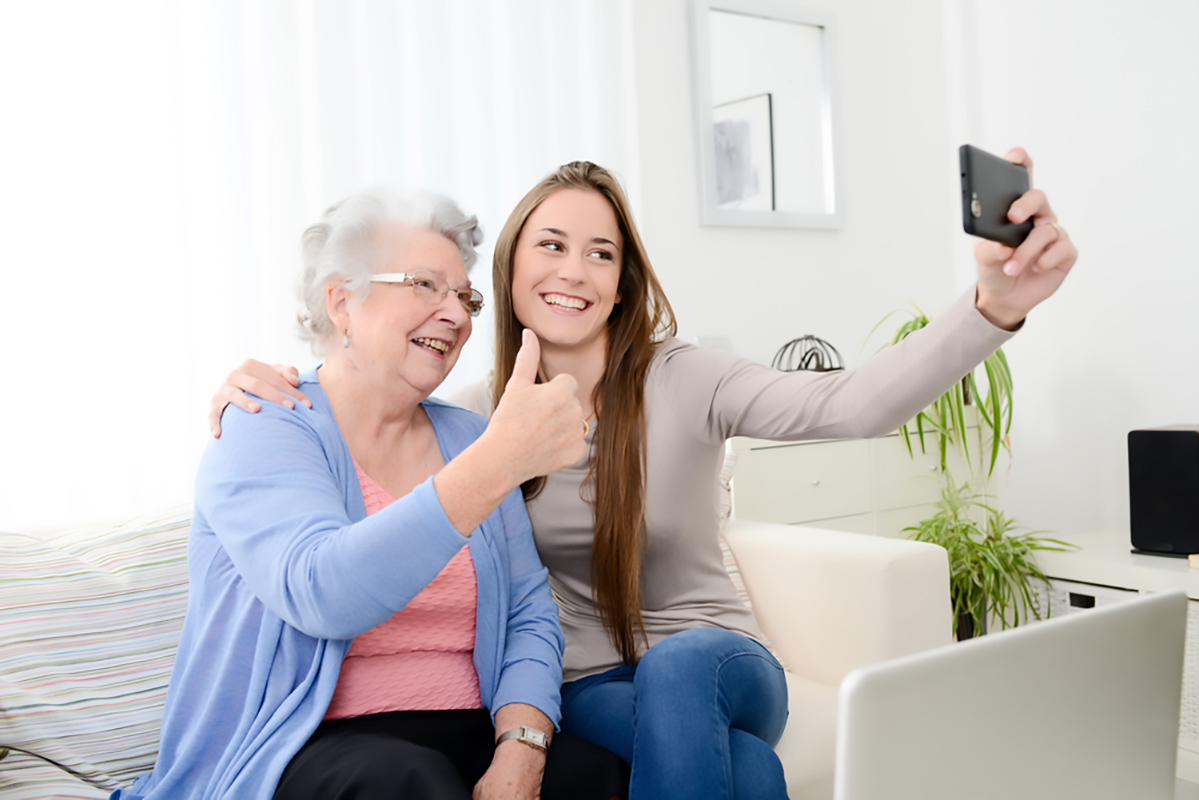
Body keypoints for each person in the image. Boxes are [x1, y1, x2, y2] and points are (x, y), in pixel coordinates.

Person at [212, 152, 1077, 799]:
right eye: (551, 245)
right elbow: (354, 404)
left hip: (720, 661)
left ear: (623, 282)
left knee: (679, 671)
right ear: (509, 270)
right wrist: (263, 382)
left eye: (601, 254)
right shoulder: (476, 418)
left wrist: (992, 308)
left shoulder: (687, 377)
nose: (574, 271)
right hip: (586, 686)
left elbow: (848, 405)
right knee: (741, 770)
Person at [120, 189, 629, 800]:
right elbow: (321, 591)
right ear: (341, 302)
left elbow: (527, 612)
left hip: (467, 730)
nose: (459, 314)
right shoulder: (263, 422)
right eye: (424, 285)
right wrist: (497, 462)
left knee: (599, 777)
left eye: (464, 296)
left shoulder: (468, 434)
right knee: (409, 783)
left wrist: (523, 749)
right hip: (304, 745)